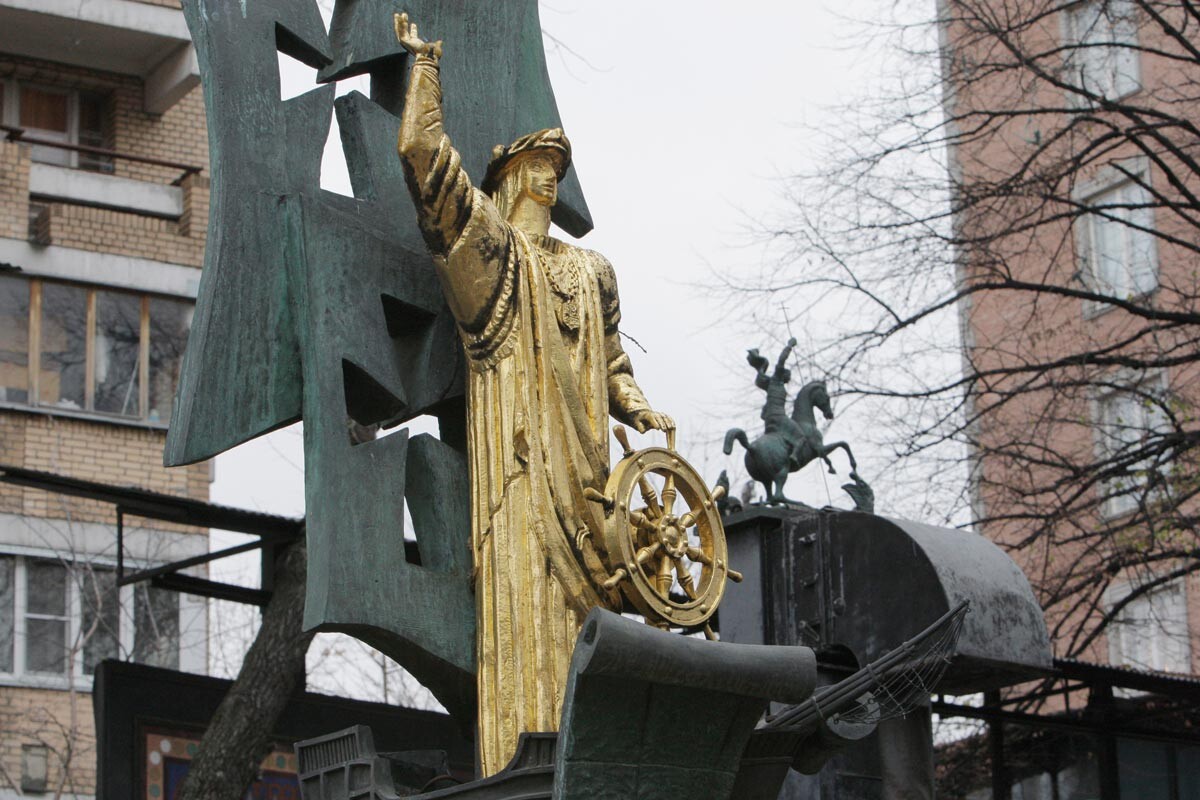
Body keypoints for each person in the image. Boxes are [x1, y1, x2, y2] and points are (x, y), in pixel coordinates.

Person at [393, 13, 673, 775]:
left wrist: (635, 401)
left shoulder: (592, 271)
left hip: (593, 487)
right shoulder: (490, 253)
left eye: (558, 161)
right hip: (520, 476)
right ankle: (526, 758)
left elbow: (611, 358)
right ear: (510, 177)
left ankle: (590, 760)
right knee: (525, 609)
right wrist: (425, 70)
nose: (551, 173)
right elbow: (425, 157)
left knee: (596, 611)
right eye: (537, 161)